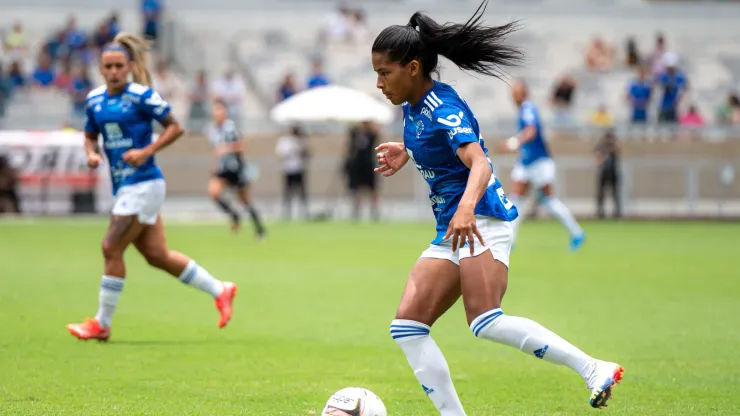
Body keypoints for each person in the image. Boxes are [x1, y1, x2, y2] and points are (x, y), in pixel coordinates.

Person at [371, 2, 623, 414]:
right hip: (455, 227)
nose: (379, 82)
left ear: (413, 67)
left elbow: (481, 162)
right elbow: (440, 146)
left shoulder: (441, 109)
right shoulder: (413, 107)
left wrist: (467, 208)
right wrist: (409, 151)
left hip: (480, 219)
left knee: (485, 320)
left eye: (385, 72)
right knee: (407, 328)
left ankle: (594, 367)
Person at [66, 33, 237, 342]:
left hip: (143, 183)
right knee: (157, 255)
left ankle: (102, 324)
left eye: (120, 65)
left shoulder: (141, 96)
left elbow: (176, 127)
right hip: (125, 185)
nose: (115, 71)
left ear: (130, 66)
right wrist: (91, 153)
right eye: (109, 66)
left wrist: (146, 152)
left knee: (110, 247)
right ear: (101, 69)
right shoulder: (94, 100)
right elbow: (90, 133)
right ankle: (220, 289)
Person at [501, 80, 586, 251]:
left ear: (523, 93)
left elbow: (531, 131)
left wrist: (514, 142)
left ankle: (577, 233)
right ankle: (509, 241)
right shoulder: (523, 110)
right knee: (515, 199)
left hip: (539, 162)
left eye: (516, 93)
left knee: (548, 201)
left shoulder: (528, 108)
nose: (513, 96)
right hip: (526, 162)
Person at [206, 99, 266, 238]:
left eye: (220, 110)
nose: (218, 113)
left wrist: (226, 148)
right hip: (222, 169)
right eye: (216, 110)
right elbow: (216, 150)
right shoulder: (212, 129)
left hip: (235, 168)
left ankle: (260, 229)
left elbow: (242, 144)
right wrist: (214, 165)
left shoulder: (230, 127)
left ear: (225, 112)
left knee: (245, 201)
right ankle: (234, 215)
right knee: (213, 192)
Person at [345, 121, 379, 221]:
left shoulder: (371, 134)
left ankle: (374, 211)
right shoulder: (354, 133)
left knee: (373, 189)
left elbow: (376, 133)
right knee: (356, 189)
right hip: (357, 165)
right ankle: (356, 211)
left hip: (368, 164)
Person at [276, 125, 310, 220]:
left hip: (299, 169)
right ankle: (286, 213)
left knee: (302, 192)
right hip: (289, 170)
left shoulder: (301, 142)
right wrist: (292, 150)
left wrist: (302, 147)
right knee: (288, 192)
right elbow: (281, 155)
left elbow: (307, 154)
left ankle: (304, 213)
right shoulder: (285, 142)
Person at [594, 129, 621, 218]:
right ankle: (600, 212)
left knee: (615, 193)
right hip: (604, 172)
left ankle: (617, 212)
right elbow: (597, 157)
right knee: (601, 194)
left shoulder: (614, 145)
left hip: (613, 172)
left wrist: (613, 145)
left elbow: (618, 151)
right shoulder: (602, 147)